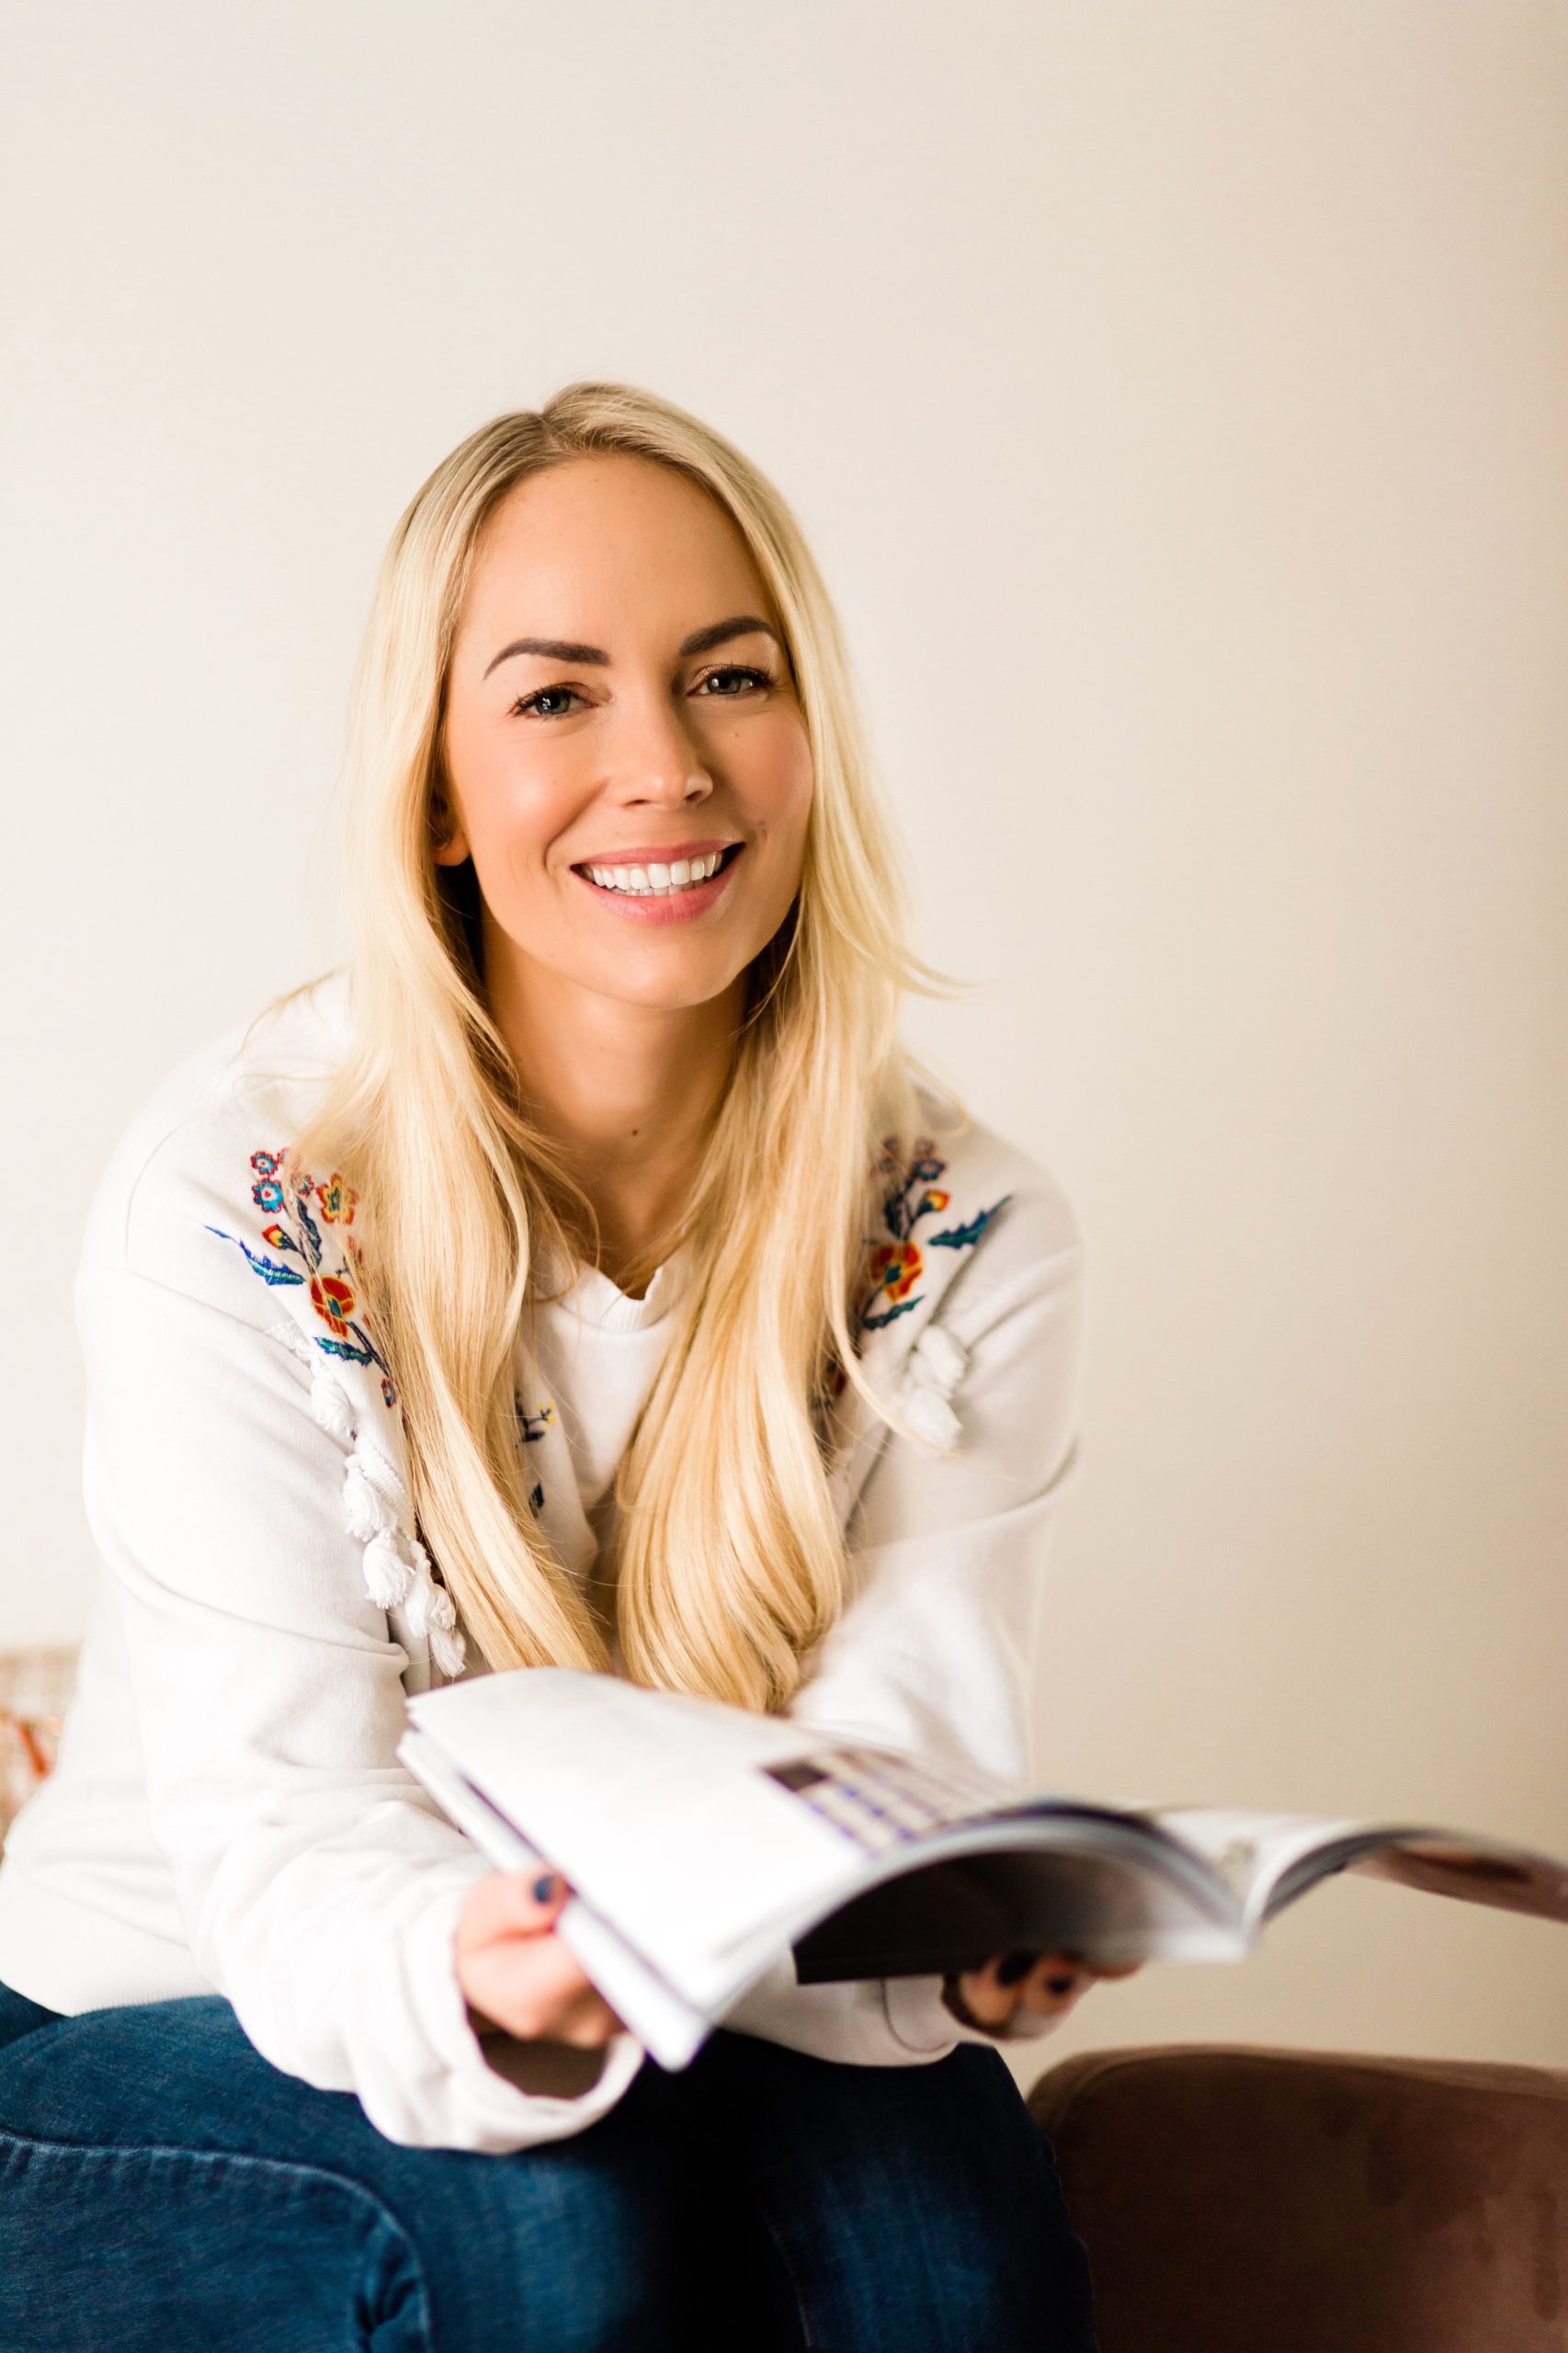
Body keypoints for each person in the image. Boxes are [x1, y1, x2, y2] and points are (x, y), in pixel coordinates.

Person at [0, 381, 1127, 2350]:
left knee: (947, 2213)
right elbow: (288, 1842)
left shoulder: (963, 1230)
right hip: (135, 2020)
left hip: (663, 1999)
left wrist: (956, 1941)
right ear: (434, 784)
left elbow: (896, 1770)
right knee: (536, 2223)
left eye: (726, 675)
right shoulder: (237, 1187)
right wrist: (479, 1958)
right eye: (553, 696)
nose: (662, 766)